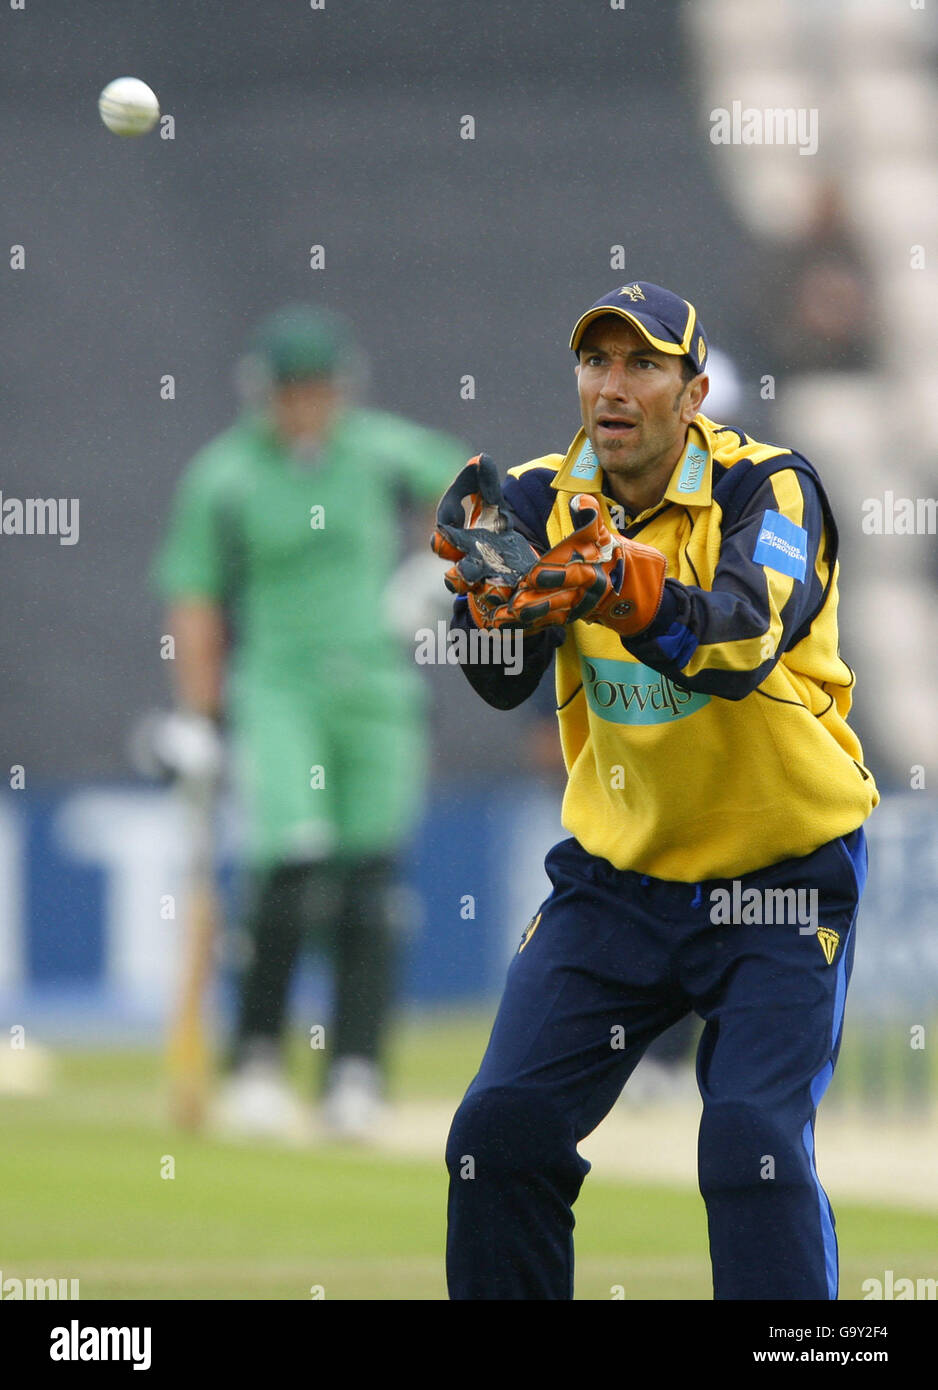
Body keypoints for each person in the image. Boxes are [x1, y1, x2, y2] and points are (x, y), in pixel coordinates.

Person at [432, 281, 878, 1299]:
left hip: (780, 880)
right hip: (616, 883)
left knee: (748, 1143)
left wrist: (622, 587)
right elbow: (499, 681)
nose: (614, 386)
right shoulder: (540, 499)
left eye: (643, 365)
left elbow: (741, 638)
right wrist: (485, 610)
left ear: (694, 393)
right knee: (496, 1135)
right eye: (596, 362)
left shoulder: (772, 487)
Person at [153, 303, 468, 1139]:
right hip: (278, 689)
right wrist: (199, 713)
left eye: (318, 389)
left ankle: (356, 1072)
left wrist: (435, 576)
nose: (305, 406)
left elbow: (480, 492)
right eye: (291, 391)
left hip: (374, 690)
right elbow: (195, 600)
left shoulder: (378, 451)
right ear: (263, 394)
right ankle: (256, 1058)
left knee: (370, 880)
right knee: (290, 865)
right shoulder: (224, 477)